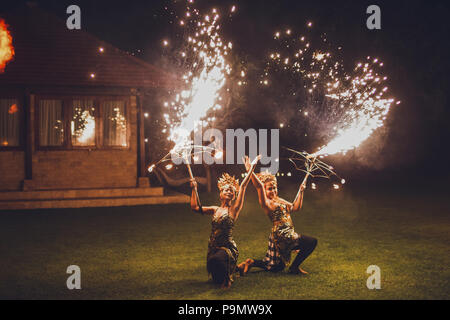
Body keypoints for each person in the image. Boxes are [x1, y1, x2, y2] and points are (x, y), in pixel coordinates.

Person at [190, 155, 260, 288]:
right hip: (213, 247)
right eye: (226, 190)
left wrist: (252, 168)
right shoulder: (214, 209)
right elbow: (195, 207)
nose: (229, 192)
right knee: (214, 271)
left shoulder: (234, 210)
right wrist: (194, 188)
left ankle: (228, 280)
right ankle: (239, 269)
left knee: (218, 262)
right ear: (220, 193)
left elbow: (243, 186)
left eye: (232, 191)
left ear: (234, 195)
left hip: (227, 249)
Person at [240, 156, 317, 275]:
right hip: (283, 235)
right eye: (270, 189)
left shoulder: (278, 199)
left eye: (274, 187)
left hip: (284, 233)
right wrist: (249, 169)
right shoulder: (267, 203)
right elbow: (259, 186)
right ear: (265, 191)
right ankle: (294, 268)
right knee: (311, 242)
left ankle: (251, 262)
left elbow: (295, 207)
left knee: (276, 266)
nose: (273, 191)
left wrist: (301, 191)